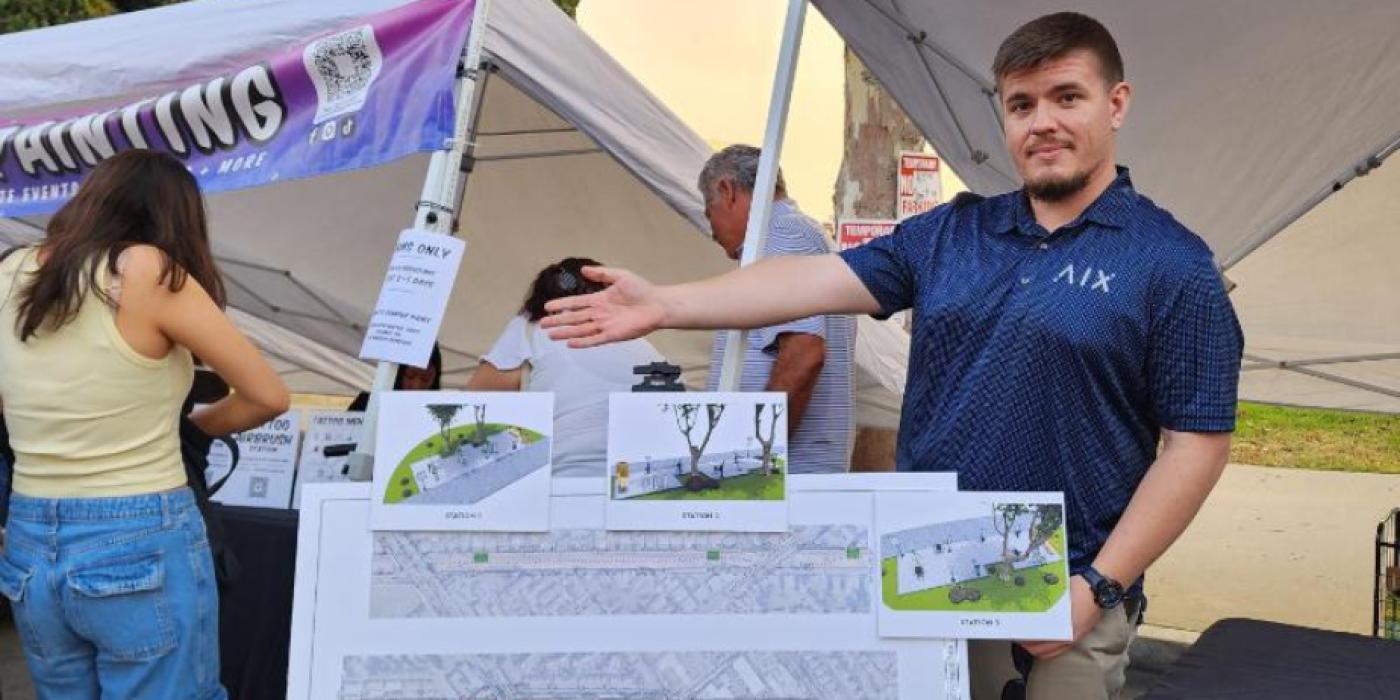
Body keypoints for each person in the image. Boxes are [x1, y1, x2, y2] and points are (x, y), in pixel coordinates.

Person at [541, 12, 1242, 699]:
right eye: (1021, 104)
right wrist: (668, 303)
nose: (1042, 122)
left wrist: (1099, 586)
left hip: (1061, 584)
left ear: (1116, 104)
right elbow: (811, 279)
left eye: (1067, 97)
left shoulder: (1171, 264)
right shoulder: (954, 232)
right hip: (933, 555)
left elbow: (1196, 444)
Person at [0, 149, 290, 698]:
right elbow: (267, 395)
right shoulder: (146, 270)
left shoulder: (13, 269)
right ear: (174, 219)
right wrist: (198, 428)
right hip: (140, 528)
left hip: (31, 536)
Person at [699, 145, 855, 474]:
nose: (708, 225)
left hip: (784, 480)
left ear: (727, 191)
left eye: (707, 208)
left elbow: (804, 354)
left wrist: (752, 458)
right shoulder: (788, 236)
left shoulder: (784, 235)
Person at [466, 257, 663, 479]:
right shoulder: (638, 338)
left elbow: (475, 402)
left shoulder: (531, 327)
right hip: (642, 477)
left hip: (565, 478)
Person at [346, 343, 442, 412]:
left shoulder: (441, 413)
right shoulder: (368, 403)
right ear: (398, 374)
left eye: (426, 379)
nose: (416, 386)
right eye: (410, 376)